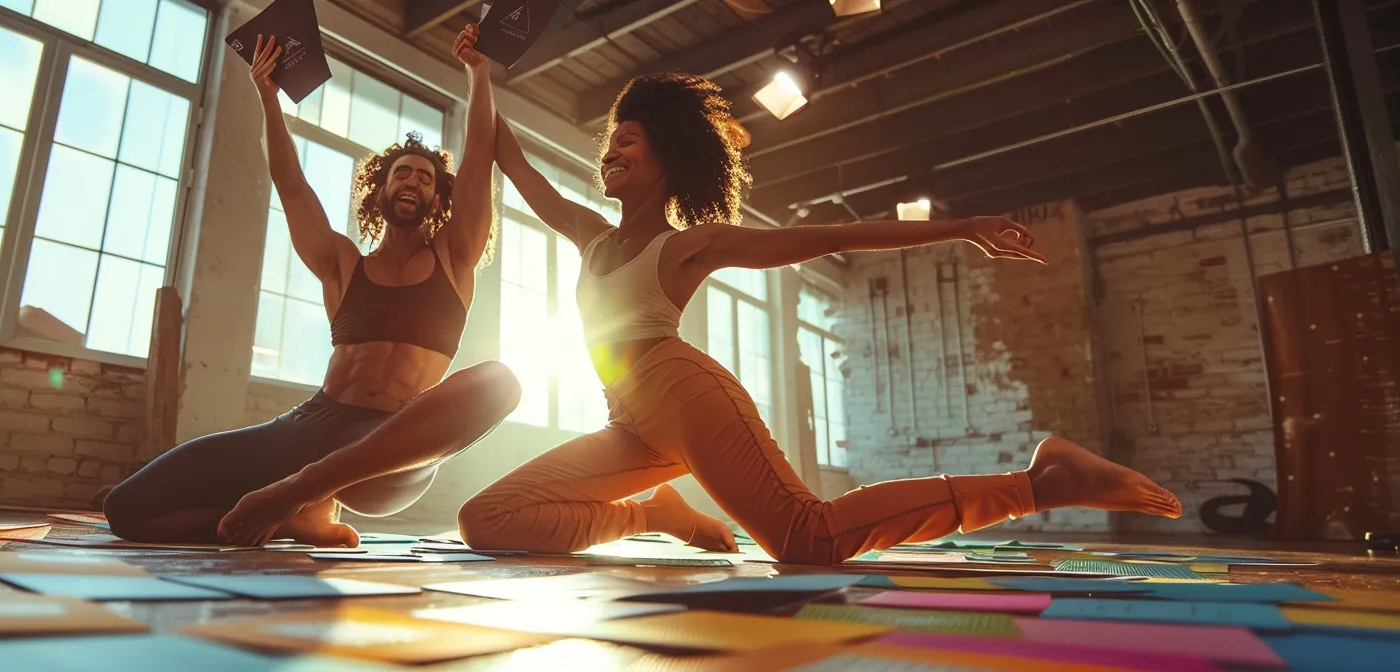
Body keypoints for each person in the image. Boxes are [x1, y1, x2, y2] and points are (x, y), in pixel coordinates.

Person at [459, 73, 1182, 564]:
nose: (611, 150)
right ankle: (655, 514)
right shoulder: (591, 235)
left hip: (682, 395)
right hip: (629, 422)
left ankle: (1041, 481)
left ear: (666, 160)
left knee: (806, 538)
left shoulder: (688, 247)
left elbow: (832, 239)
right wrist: (480, 71)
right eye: (610, 141)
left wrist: (960, 227)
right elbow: (511, 160)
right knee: (485, 521)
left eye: (629, 140)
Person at [104, 26, 513, 547]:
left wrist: (478, 72)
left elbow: (479, 154)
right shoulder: (342, 264)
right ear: (381, 189)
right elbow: (291, 184)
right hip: (311, 426)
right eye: (402, 174)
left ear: (437, 201)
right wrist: (269, 98)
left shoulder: (455, 260)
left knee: (500, 381)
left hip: (391, 447)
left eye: (425, 178)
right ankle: (295, 517)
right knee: (128, 510)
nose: (412, 181)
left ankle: (299, 493)